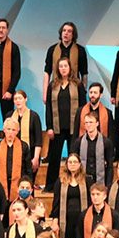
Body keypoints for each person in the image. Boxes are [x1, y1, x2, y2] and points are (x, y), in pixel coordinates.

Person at [43, 56, 84, 190]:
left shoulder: (77, 84)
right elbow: (48, 107)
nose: (63, 69)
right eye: (60, 66)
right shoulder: (52, 85)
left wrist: (82, 126)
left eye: (65, 66)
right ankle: (50, 186)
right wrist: (49, 127)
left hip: (74, 127)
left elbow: (83, 107)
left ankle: (75, 184)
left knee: (74, 159)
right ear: (57, 69)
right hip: (57, 128)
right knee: (54, 158)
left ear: (70, 68)